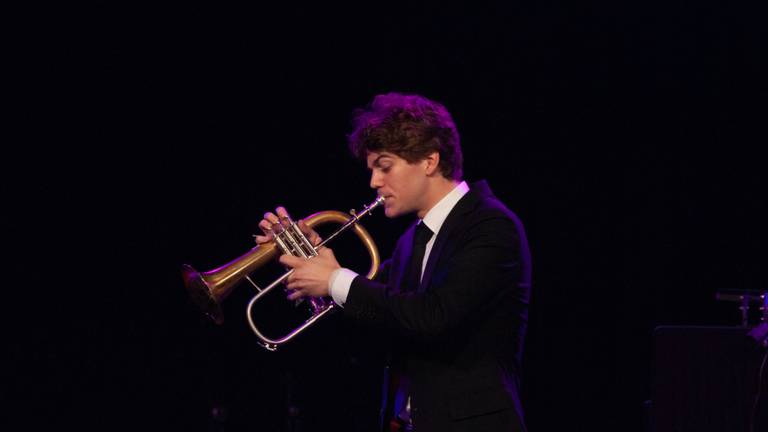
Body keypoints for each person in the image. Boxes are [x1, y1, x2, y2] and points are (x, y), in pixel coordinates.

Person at [255, 93, 532, 432]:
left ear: (429, 161)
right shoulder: (409, 242)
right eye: (372, 170)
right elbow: (376, 318)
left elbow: (434, 316)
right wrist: (311, 263)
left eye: (384, 167)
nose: (374, 182)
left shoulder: (491, 226)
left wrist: (334, 279)